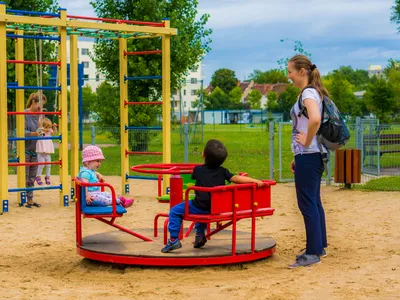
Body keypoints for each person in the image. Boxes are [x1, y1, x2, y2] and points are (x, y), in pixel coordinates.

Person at [161, 139, 263, 253]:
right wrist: (255, 181)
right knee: (207, 204)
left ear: (203, 154)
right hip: (216, 209)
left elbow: (193, 175)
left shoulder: (198, 170)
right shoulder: (223, 171)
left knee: (175, 211)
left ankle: (174, 239)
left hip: (199, 207)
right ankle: (199, 234)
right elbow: (237, 178)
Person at [287, 54, 328, 268]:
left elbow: (315, 119)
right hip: (310, 155)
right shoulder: (311, 92)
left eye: (290, 72)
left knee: (307, 203)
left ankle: (313, 253)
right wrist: (298, 155)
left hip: (310, 154)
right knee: (313, 200)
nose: (289, 76)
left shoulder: (308, 93)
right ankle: (319, 245)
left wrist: (306, 142)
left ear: (302, 72)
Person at [24, 92, 47, 208]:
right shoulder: (24, 114)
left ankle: (30, 199)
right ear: (33, 102)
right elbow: (21, 132)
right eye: (39, 105)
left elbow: (43, 128)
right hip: (25, 149)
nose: (40, 108)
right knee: (25, 174)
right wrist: (35, 133)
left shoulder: (40, 115)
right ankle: (23, 197)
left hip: (35, 149)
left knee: (32, 175)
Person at [35, 118, 57, 185]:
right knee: (41, 165)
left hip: (47, 151)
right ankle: (38, 176)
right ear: (42, 127)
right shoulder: (41, 132)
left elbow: (55, 132)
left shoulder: (49, 132)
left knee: (48, 165)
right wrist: (41, 126)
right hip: (41, 151)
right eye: (46, 127)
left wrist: (54, 127)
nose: (48, 129)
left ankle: (47, 177)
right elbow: (38, 130)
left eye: (49, 127)